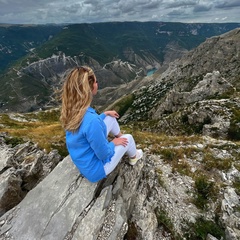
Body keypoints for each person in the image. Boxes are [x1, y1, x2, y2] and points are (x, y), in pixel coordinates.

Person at [60, 66, 143, 183]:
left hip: (84, 160)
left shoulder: (72, 109)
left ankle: (120, 138)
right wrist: (113, 143)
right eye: (96, 81)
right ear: (89, 87)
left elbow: (86, 127)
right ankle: (134, 157)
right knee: (128, 138)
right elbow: (103, 154)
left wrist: (104, 115)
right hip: (97, 170)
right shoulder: (92, 121)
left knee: (110, 118)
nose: (97, 83)